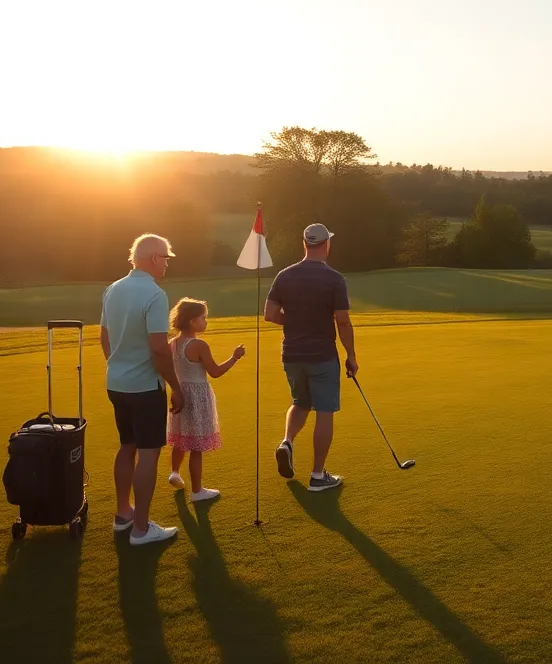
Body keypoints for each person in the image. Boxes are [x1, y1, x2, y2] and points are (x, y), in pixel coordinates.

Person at [100, 233, 184, 546]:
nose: (166, 264)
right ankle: (140, 528)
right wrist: (176, 386)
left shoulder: (113, 288)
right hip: (145, 388)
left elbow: (105, 337)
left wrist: (118, 366)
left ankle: (123, 514)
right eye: (165, 258)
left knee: (127, 445)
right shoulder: (155, 294)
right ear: (152, 258)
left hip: (117, 383)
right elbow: (160, 349)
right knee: (148, 454)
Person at [265, 223, 358, 492]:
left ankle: (287, 442)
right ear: (326, 244)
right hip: (322, 356)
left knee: (300, 402)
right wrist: (351, 356)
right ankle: (318, 475)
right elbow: (342, 322)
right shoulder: (334, 279)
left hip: (292, 355)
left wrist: (295, 323)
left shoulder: (284, 275)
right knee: (324, 413)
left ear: (304, 244)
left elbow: (270, 315)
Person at [165, 297, 246, 502]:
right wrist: (234, 357)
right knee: (196, 446)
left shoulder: (172, 344)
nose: (206, 321)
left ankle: (174, 472)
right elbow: (216, 371)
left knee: (181, 437)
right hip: (198, 395)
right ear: (192, 321)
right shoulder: (199, 345)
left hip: (179, 392)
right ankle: (197, 491)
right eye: (203, 317)